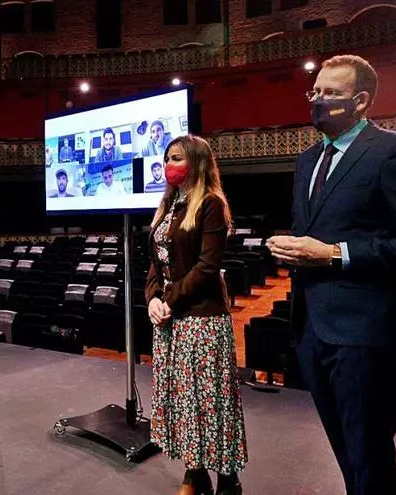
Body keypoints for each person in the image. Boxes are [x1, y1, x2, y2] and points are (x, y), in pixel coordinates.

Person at [267, 54, 396, 495]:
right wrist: (293, 250)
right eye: (315, 92)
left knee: (370, 456)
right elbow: (315, 234)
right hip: (312, 328)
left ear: (361, 101)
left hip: (365, 333)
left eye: (331, 94)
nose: (318, 101)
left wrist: (333, 254)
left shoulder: (394, 151)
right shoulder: (308, 160)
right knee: (347, 452)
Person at [145, 135, 247, 495]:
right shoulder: (168, 205)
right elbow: (157, 264)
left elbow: (207, 267)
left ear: (197, 163)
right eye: (167, 158)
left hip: (201, 318)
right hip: (171, 318)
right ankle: (195, 471)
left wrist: (170, 300)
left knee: (210, 401)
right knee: (183, 400)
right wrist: (153, 298)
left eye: (176, 158)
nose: (168, 165)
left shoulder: (210, 204)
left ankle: (228, 479)